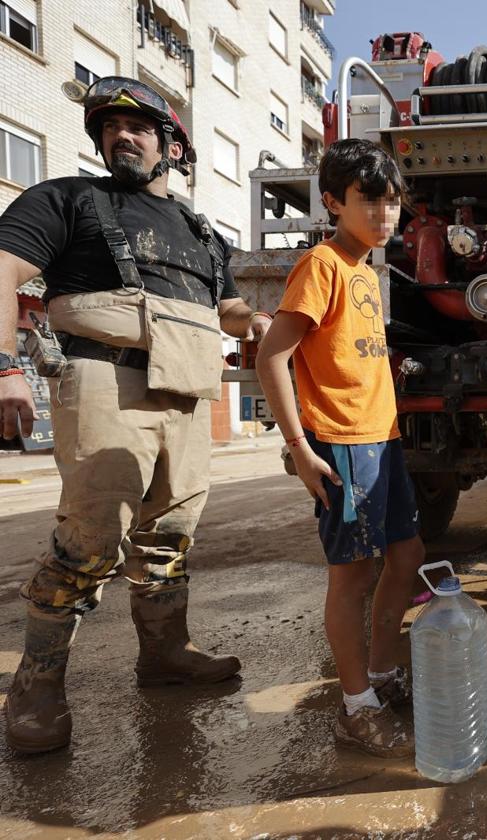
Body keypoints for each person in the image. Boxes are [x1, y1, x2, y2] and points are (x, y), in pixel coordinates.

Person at [0, 77, 268, 754]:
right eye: (110, 128)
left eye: (139, 126)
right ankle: (36, 685)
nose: (122, 135)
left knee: (170, 536)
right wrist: (4, 367)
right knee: (91, 539)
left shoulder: (201, 231)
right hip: (101, 378)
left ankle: (165, 655)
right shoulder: (66, 198)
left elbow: (223, 308)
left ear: (172, 145)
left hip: (186, 388)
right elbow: (3, 270)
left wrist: (257, 320)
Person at [255, 138, 425, 758]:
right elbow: (273, 354)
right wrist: (299, 446)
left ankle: (379, 676)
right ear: (332, 202)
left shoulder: (364, 272)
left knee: (407, 559)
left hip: (383, 439)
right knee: (351, 578)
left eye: (392, 202)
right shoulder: (322, 265)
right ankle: (355, 707)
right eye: (368, 201)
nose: (385, 214)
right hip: (342, 443)